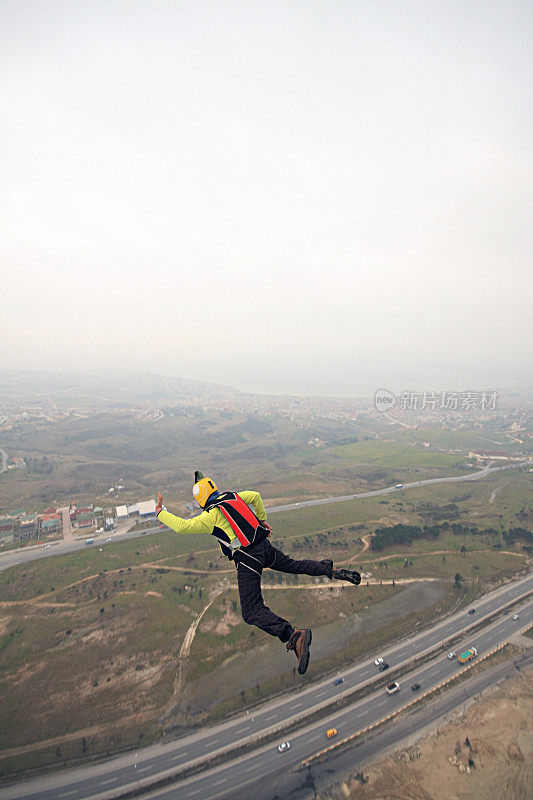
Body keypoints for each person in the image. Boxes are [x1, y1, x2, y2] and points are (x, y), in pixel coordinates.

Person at [155, 471, 361, 675]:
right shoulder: (233, 497)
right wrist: (261, 521)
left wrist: (160, 513)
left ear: (200, 499)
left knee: (251, 611)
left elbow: (182, 527)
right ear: (213, 488)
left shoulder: (210, 516)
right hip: (265, 547)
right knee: (294, 565)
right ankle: (331, 570)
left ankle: (294, 636)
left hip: (248, 559)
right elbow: (255, 496)